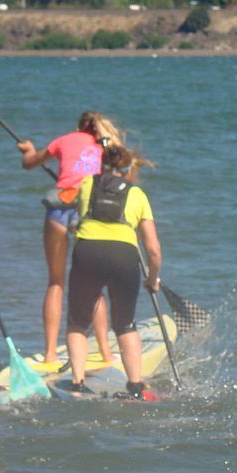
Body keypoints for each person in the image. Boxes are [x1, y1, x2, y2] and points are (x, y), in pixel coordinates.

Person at [17, 111, 122, 368]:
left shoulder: (64, 140)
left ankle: (50, 353)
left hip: (58, 208)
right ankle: (106, 352)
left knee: (55, 282)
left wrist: (28, 150)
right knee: (94, 283)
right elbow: (117, 176)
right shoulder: (105, 146)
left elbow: (29, 163)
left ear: (78, 127)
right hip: (84, 210)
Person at [64, 141, 161, 397]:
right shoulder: (137, 194)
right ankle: (135, 385)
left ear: (101, 166)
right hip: (124, 257)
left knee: (77, 322)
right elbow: (153, 249)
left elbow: (76, 215)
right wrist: (153, 279)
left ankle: (77, 384)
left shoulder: (86, 184)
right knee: (125, 323)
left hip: (88, 254)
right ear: (129, 170)